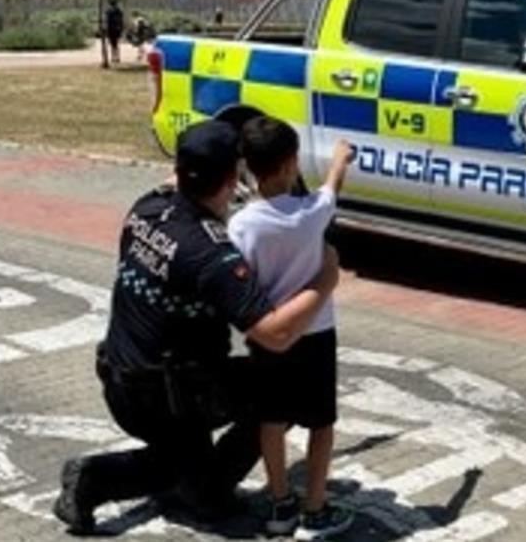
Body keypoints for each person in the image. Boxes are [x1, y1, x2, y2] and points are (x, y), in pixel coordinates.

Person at [52, 120, 340, 534]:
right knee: (282, 394)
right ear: (230, 179)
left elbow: (178, 177)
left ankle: (196, 475)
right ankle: (98, 479)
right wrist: (324, 281)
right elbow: (276, 334)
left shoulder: (147, 207)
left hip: (120, 377)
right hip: (170, 398)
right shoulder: (210, 254)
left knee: (190, 455)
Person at [227, 117, 355, 540]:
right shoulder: (310, 214)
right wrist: (340, 160)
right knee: (321, 422)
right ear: (289, 165)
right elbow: (331, 189)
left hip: (269, 334)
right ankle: (315, 505)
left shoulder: (242, 224)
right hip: (316, 331)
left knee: (272, 419)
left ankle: (280, 501)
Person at [105, 0, 124, 64]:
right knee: (117, 44)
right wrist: (121, 29)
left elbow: (107, 22)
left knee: (113, 44)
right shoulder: (119, 11)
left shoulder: (109, 11)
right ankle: (117, 57)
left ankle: (113, 57)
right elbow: (121, 21)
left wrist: (107, 30)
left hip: (111, 29)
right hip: (117, 29)